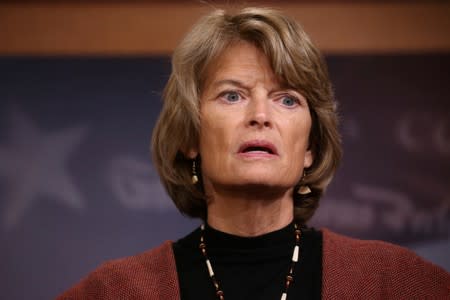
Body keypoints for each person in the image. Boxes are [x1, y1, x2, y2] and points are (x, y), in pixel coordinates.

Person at [58, 7, 450, 300]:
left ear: (310, 147)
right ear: (190, 135)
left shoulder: (394, 282)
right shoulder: (117, 291)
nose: (260, 116)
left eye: (287, 99)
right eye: (233, 95)